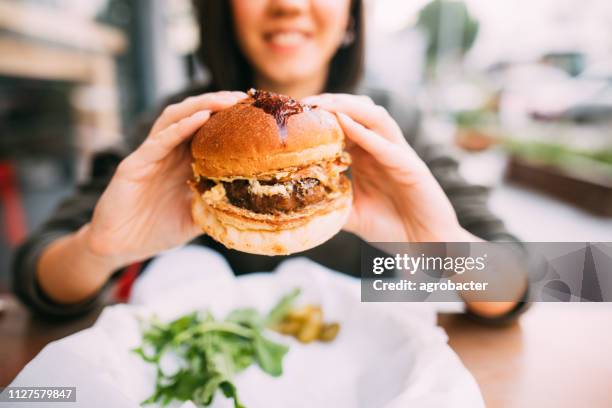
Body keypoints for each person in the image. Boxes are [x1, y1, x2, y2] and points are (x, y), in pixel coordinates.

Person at [12, 0, 527, 320]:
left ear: (351, 11)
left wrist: (441, 247)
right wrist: (101, 251)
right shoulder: (178, 128)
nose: (287, 4)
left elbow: (538, 280)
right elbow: (33, 277)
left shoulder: (391, 126)